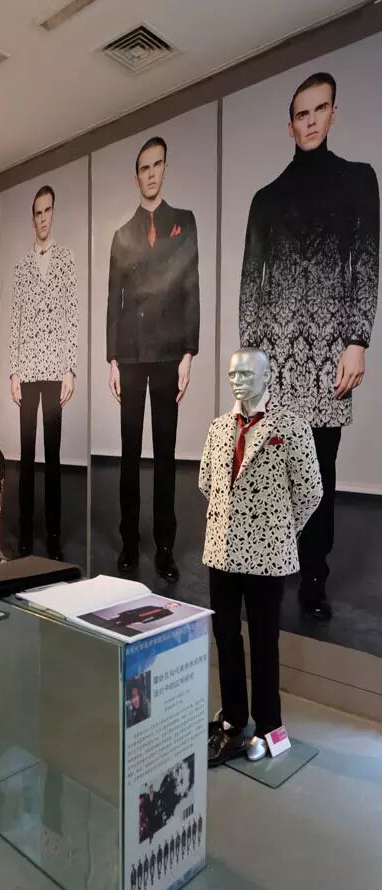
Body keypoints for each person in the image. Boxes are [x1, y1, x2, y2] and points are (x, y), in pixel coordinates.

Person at [239, 72, 379, 620]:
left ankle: (314, 577)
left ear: (333, 113)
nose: (312, 120)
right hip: (275, 361)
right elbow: (251, 288)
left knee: (320, 472)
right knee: (273, 473)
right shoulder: (266, 198)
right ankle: (275, 565)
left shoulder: (358, 180)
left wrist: (358, 340)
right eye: (302, 113)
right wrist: (248, 372)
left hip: (328, 357)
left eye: (320, 109)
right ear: (291, 124)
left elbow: (366, 264)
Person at [200, 349, 322, 766]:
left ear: (268, 376)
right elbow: (207, 482)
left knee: (264, 639)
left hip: (268, 555)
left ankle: (269, 725)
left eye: (247, 374)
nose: (238, 381)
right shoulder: (219, 427)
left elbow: (310, 490)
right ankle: (234, 719)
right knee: (225, 634)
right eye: (233, 374)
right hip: (222, 550)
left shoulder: (291, 427)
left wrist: (281, 529)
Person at [107, 135, 200, 583]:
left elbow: (191, 289)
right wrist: (112, 359)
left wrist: (189, 353)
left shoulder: (184, 222)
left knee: (165, 453)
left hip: (167, 355)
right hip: (130, 356)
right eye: (144, 167)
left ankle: (165, 547)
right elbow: (114, 300)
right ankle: (129, 542)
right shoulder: (121, 235)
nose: (150, 173)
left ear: (165, 168)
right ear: (136, 176)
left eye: (156, 165)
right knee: (129, 454)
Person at [10, 185, 79, 561]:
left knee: (52, 455)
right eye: (37, 213)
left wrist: (71, 369)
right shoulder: (22, 265)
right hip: (27, 370)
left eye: (47, 211)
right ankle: (24, 533)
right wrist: (13, 372)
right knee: (26, 455)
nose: (42, 218)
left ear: (54, 213)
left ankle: (53, 534)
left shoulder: (66, 259)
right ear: (32, 217)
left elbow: (72, 314)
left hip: (54, 370)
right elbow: (15, 319)